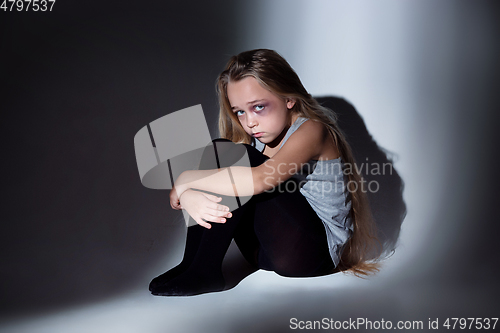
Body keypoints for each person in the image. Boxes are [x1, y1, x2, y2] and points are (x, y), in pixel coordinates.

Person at [149, 49, 380, 296]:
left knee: (241, 159)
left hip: (312, 254)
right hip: (264, 252)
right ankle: (193, 264)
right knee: (222, 150)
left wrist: (186, 180)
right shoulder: (258, 137)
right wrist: (191, 194)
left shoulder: (313, 130)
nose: (249, 122)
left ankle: (205, 272)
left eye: (258, 107)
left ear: (288, 99)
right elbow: (229, 182)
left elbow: (260, 180)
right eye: (240, 111)